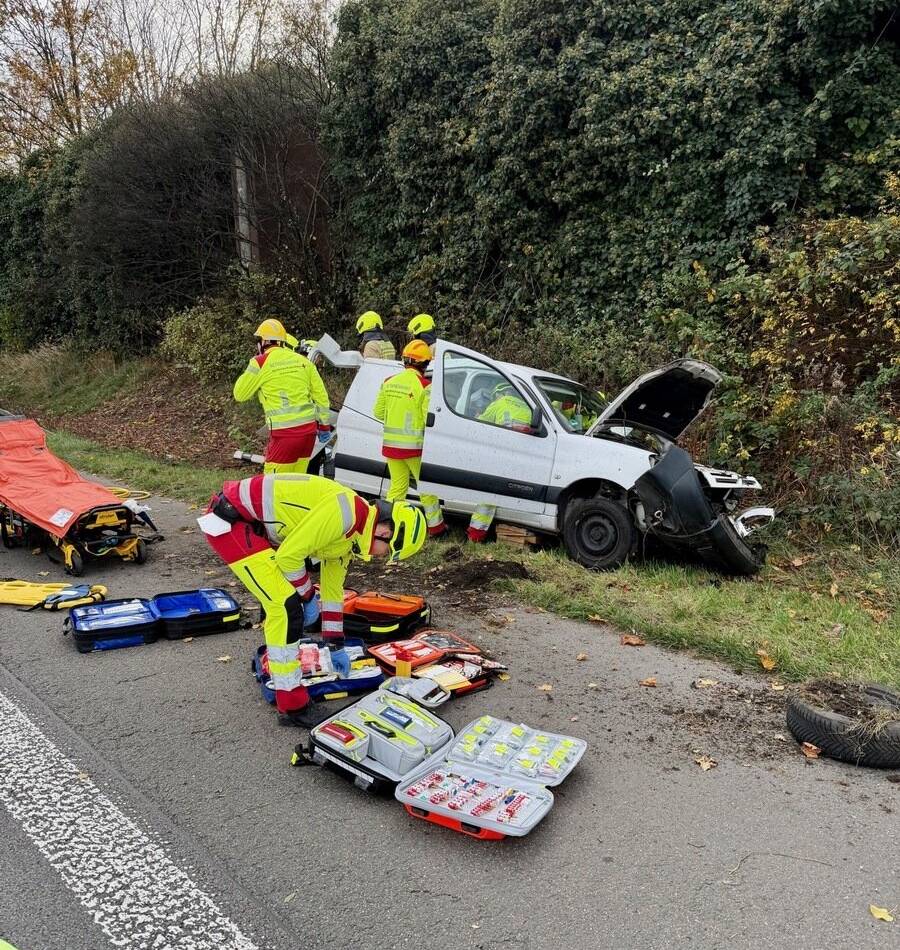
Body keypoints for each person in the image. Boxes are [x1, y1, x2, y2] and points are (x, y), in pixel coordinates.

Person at [199, 474, 426, 724]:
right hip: (230, 520)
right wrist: (306, 596)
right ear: (385, 532)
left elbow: (331, 594)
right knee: (285, 606)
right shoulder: (345, 515)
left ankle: (289, 691)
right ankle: (293, 706)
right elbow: (288, 558)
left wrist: (335, 644)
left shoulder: (351, 536)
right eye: (389, 552)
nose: (382, 557)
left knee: (287, 602)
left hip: (252, 526)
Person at [233, 319, 331, 475]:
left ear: (264, 341)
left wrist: (253, 368)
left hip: (284, 436)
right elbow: (321, 397)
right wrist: (324, 426)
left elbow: (240, 394)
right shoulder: (303, 361)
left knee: (273, 486)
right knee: (296, 482)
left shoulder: (260, 362)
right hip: (308, 436)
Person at [373, 340, 447, 536]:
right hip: (415, 448)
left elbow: (378, 412)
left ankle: (386, 528)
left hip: (391, 447)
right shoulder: (424, 386)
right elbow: (427, 419)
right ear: (425, 364)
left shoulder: (389, 382)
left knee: (397, 488)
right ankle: (437, 529)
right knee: (426, 488)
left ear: (405, 360)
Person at [467, 381, 533, 543]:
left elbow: (480, 423)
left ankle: (475, 536)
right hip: (523, 460)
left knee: (488, 498)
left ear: (499, 394)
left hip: (500, 457)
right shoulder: (526, 407)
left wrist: (476, 416)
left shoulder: (499, 403)